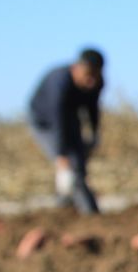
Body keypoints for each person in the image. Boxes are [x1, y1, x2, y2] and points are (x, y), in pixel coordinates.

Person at [27, 48, 105, 214]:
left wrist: (94, 135)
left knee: (79, 162)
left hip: (70, 118)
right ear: (76, 68)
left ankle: (69, 206)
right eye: (88, 75)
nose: (91, 82)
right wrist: (60, 153)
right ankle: (85, 211)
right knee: (70, 165)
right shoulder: (59, 81)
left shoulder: (97, 82)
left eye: (96, 76)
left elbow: (93, 108)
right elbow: (57, 119)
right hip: (44, 120)